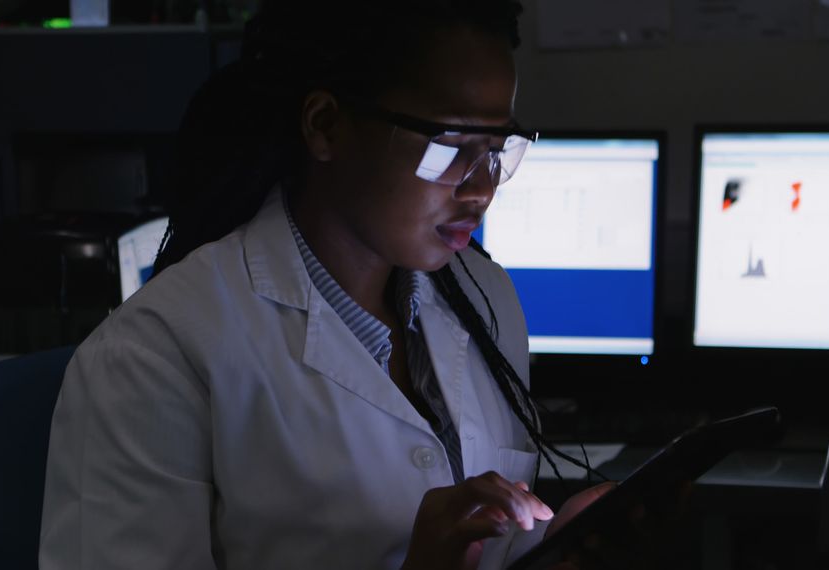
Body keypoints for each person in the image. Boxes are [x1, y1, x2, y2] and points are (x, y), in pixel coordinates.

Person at [38, 1, 620, 568]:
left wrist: (557, 548)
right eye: (449, 146)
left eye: (497, 149)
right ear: (325, 126)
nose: (482, 188)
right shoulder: (156, 355)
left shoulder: (485, 297)